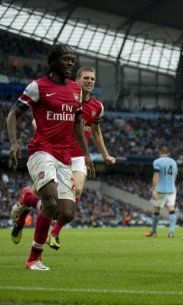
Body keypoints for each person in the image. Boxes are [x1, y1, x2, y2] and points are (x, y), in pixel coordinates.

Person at [6, 44, 95, 270]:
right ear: (53, 61)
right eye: (65, 59)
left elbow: (77, 124)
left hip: (65, 156)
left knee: (66, 213)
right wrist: (14, 142)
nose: (69, 63)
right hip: (41, 151)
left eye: (72, 60)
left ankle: (27, 199)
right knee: (50, 201)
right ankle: (34, 258)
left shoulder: (76, 89)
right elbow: (12, 115)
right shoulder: (38, 87)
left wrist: (86, 156)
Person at [10, 66, 116, 250]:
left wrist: (105, 154)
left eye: (92, 79)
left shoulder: (97, 107)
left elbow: (97, 132)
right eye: (86, 78)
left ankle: (55, 232)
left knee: (77, 191)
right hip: (53, 152)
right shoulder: (64, 95)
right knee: (44, 198)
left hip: (76, 156)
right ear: (77, 79)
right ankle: (25, 208)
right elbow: (37, 119)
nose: (89, 82)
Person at [145, 146, 178, 238]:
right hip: (172, 189)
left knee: (157, 209)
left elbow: (156, 175)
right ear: (168, 153)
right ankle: (171, 232)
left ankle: (154, 232)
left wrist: (154, 189)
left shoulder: (157, 161)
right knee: (171, 208)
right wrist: (172, 185)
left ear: (160, 153)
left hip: (161, 189)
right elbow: (174, 176)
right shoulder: (174, 162)